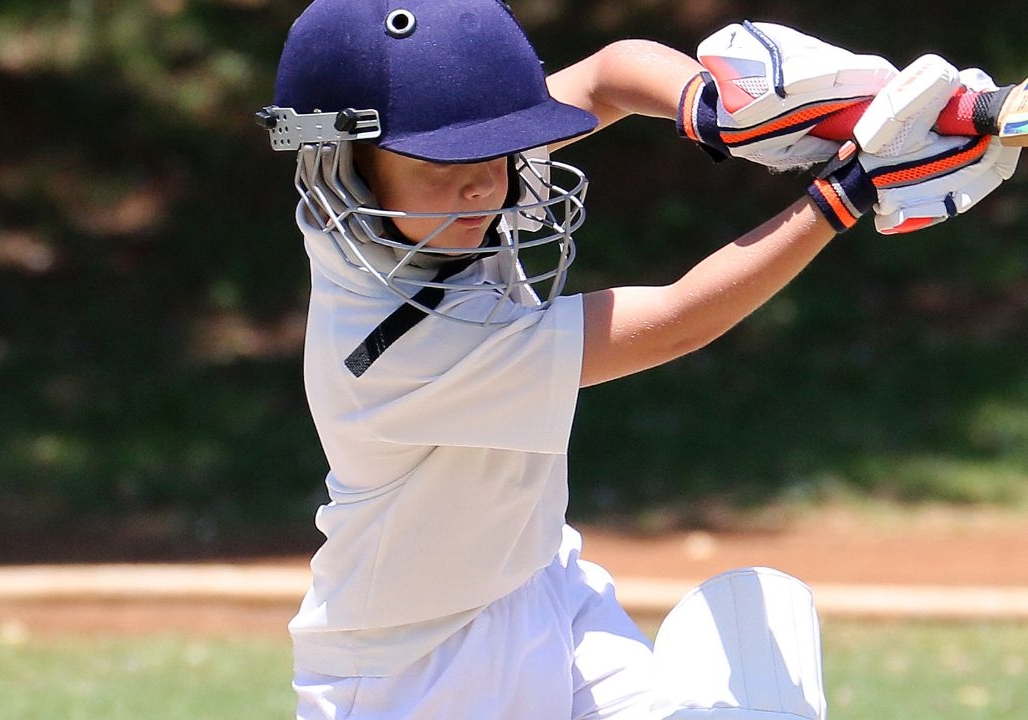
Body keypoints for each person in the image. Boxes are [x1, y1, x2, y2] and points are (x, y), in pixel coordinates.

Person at [258, 1, 1020, 718]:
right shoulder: (396, 340)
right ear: (341, 163)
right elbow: (676, 321)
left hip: (549, 588)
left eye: (496, 151)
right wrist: (844, 193)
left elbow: (606, 74)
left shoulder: (405, 197)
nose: (483, 184)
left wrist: (710, 110)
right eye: (444, 162)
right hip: (408, 669)